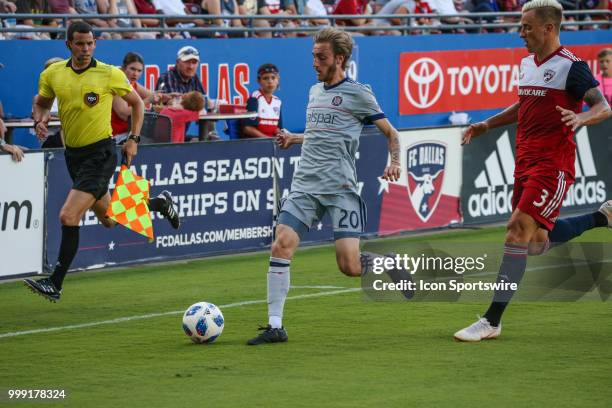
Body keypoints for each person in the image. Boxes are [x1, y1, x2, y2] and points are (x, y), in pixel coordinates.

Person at [454, 0, 611, 342]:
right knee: (536, 243)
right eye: (520, 26)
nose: (520, 32)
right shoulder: (527, 63)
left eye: (526, 26)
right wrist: (487, 124)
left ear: (549, 28)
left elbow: (602, 106)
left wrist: (581, 117)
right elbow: (525, 104)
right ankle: (602, 217)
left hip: (552, 163)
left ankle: (491, 320)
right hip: (524, 160)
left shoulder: (572, 66)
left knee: (515, 232)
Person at [247, 27, 404, 345]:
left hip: (340, 187)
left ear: (340, 59)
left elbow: (392, 134)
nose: (315, 63)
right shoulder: (313, 92)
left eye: (321, 57)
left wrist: (395, 162)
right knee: (281, 245)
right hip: (305, 184)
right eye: (313, 56)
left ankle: (387, 263)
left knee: (349, 266)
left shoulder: (359, 93)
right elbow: (321, 133)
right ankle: (275, 326)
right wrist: (294, 137)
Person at [23, 22, 181, 303]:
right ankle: (159, 203)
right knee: (109, 219)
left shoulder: (109, 74)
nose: (85, 49)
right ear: (68, 45)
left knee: (68, 216)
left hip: (101, 153)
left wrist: (133, 138)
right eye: (79, 44)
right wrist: (41, 118)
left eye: (90, 43)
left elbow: (137, 104)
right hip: (73, 155)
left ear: (95, 43)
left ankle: (55, 283)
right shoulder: (53, 74)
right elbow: (42, 101)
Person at [111, 52, 156, 143]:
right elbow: (123, 114)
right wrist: (147, 101)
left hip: (129, 132)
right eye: (132, 69)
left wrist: (168, 97)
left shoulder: (131, 83)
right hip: (116, 136)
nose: (135, 74)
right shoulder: (117, 82)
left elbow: (152, 94)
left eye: (139, 71)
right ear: (124, 68)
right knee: (151, 143)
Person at [242, 63, 283, 138]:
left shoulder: (277, 101)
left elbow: (277, 128)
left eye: (273, 78)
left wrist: (282, 136)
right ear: (258, 80)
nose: (270, 81)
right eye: (265, 78)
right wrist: (268, 139)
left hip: (271, 143)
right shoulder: (254, 99)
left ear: (278, 80)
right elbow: (247, 128)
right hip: (256, 144)